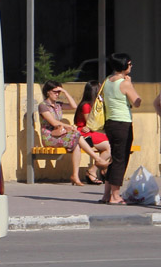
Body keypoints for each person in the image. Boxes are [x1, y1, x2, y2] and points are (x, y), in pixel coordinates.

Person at [37, 81, 107, 186]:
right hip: (50, 136)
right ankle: (97, 159)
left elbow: (74, 106)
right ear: (48, 92)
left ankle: (75, 176)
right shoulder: (43, 106)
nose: (57, 94)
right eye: (55, 92)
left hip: (60, 135)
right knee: (77, 135)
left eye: (59, 92)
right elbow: (53, 122)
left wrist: (65, 92)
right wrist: (68, 126)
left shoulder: (58, 105)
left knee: (76, 145)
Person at [100, 53, 142, 205]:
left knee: (114, 158)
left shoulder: (107, 81)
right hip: (122, 123)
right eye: (130, 64)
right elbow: (137, 102)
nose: (131, 66)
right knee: (120, 159)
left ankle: (106, 194)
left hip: (110, 123)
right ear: (124, 65)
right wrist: (132, 85)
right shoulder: (124, 83)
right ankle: (115, 196)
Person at [74, 80, 112, 183]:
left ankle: (100, 170)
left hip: (93, 131)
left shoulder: (97, 103)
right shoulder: (86, 105)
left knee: (113, 144)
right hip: (85, 133)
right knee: (110, 146)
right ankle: (93, 171)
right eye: (99, 88)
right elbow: (90, 123)